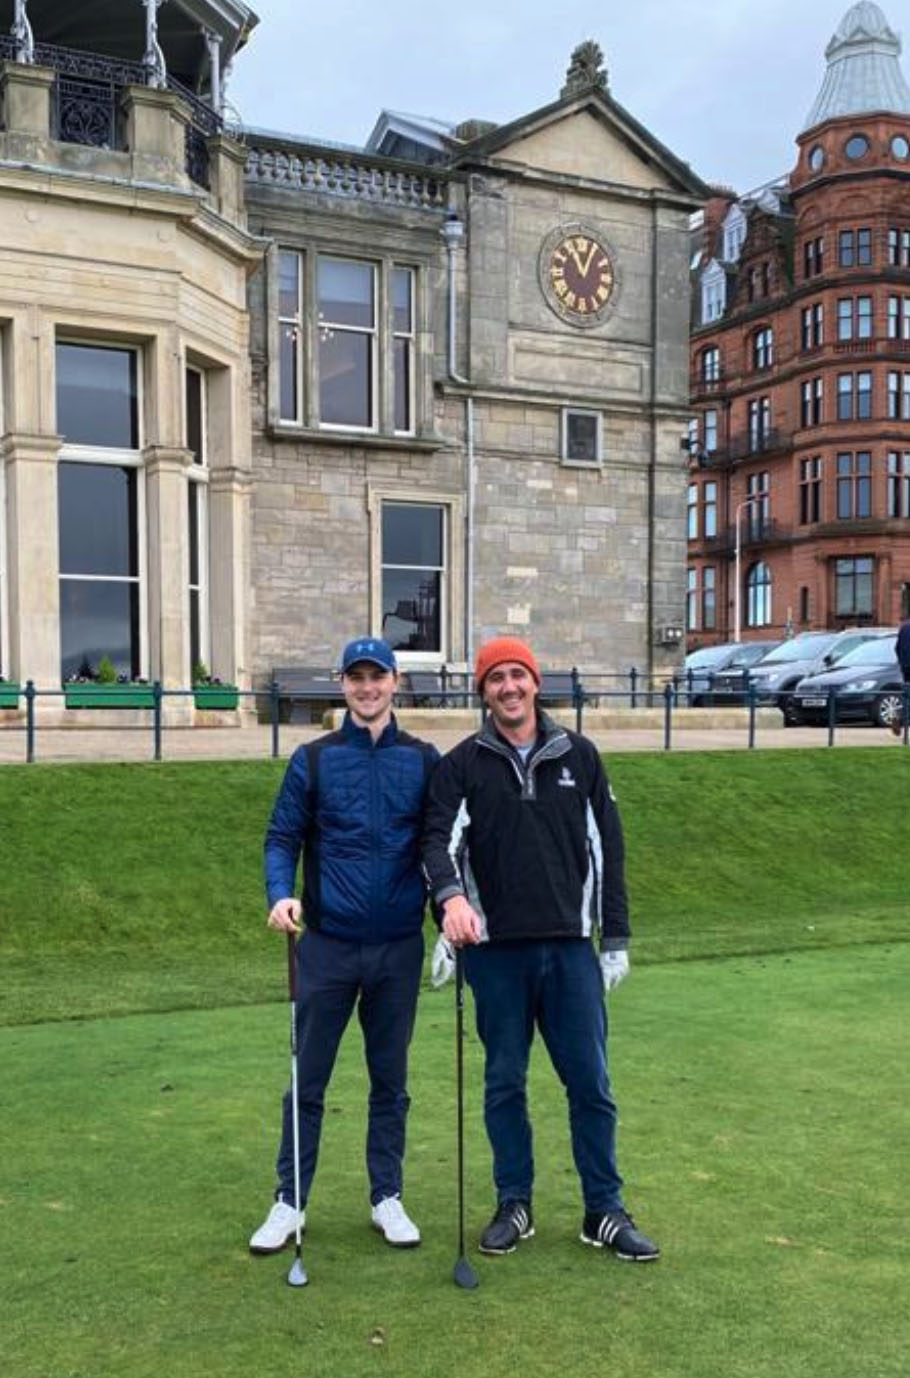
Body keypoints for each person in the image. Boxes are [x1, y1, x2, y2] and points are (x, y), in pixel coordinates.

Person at [422, 636, 659, 1262]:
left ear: (535, 682)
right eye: (495, 678)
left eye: (517, 675)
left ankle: (603, 1210)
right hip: (495, 952)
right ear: (483, 691)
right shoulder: (461, 764)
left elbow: (608, 851)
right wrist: (449, 905)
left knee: (591, 1084)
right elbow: (435, 846)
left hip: (569, 949)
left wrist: (616, 939)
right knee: (504, 1082)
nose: (508, 687)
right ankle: (514, 1203)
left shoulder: (579, 755)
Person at [249, 637, 439, 1253]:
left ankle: (387, 1196)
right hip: (327, 945)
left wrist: (452, 911)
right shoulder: (314, 758)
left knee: (391, 1081)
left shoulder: (424, 759)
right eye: (356, 678)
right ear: (343, 684)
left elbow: (439, 847)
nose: (367, 687)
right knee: (308, 1080)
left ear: (395, 682)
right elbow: (282, 837)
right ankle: (290, 1202)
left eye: (377, 677)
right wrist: (281, 893)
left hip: (397, 948)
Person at [891, 617, 910, 736]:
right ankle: (900, 718)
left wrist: (902, 663)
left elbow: (897, 648)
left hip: (906, 667)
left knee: (907, 695)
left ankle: (899, 716)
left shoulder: (904, 627)